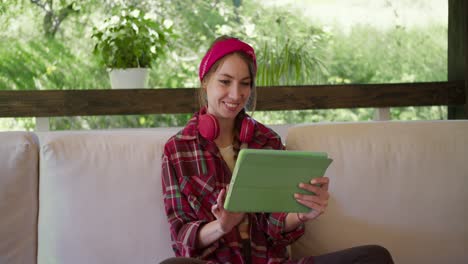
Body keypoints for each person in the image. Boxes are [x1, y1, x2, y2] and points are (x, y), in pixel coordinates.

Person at [160, 36, 393, 264]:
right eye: (225, 81)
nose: (236, 94)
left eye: (245, 83)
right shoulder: (177, 150)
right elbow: (182, 238)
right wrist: (222, 226)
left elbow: (274, 225)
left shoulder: (266, 140)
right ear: (205, 80)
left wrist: (302, 214)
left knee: (374, 256)